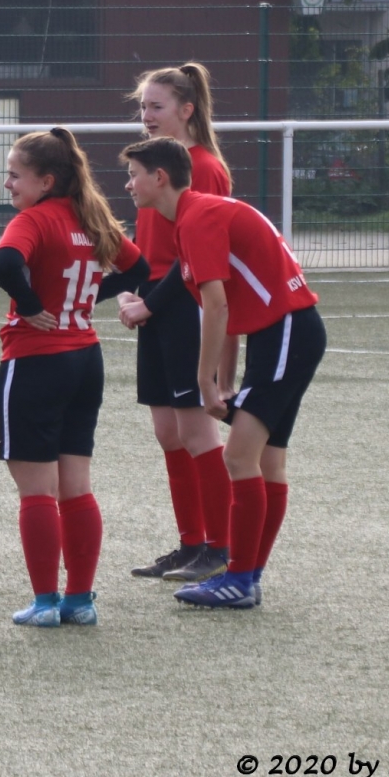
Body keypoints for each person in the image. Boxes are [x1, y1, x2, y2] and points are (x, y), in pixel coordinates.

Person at [118, 138, 323, 609]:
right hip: (285, 333)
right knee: (267, 463)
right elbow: (226, 304)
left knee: (239, 457)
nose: (128, 185)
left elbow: (216, 307)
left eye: (133, 175)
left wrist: (206, 381)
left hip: (286, 332)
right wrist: (225, 381)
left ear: (159, 178)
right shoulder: (195, 216)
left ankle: (239, 578)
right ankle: (246, 577)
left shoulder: (197, 219)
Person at [0, 129, 148, 627]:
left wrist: (31, 305)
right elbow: (138, 267)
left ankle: (44, 603)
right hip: (85, 360)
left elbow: (4, 262)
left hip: (36, 360)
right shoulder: (89, 218)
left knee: (37, 491)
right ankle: (80, 600)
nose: (8, 183)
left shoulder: (34, 220)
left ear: (47, 181)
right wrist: (88, 297)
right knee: (76, 487)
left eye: (15, 175)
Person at [121, 64, 239, 584]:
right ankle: (192, 544)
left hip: (184, 306)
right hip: (157, 303)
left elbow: (197, 259)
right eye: (142, 106)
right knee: (169, 433)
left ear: (186, 110)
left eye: (157, 106)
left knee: (196, 431)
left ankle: (221, 546)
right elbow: (150, 247)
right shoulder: (153, 168)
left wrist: (150, 303)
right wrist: (131, 286)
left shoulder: (202, 167)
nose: (146, 115)